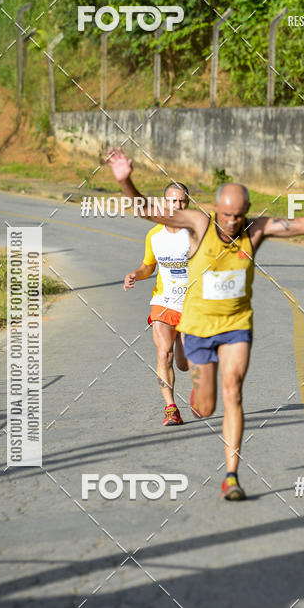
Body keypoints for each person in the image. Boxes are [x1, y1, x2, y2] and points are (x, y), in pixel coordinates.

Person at [107, 148, 304, 500]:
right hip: (198, 326)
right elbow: (146, 210)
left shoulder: (257, 229)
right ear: (216, 209)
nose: (232, 222)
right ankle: (195, 391)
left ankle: (231, 475)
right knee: (206, 406)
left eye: (239, 216)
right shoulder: (198, 224)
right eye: (227, 215)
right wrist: (126, 179)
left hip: (236, 325)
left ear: (246, 212)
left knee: (233, 391)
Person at [123, 183, 191, 426]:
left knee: (184, 364)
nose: (177, 205)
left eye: (182, 201)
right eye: (173, 201)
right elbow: (148, 266)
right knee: (164, 354)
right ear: (164, 203)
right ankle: (171, 408)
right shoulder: (154, 235)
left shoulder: (195, 233)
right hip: (163, 301)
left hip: (191, 303)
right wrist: (135, 274)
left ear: (188, 204)